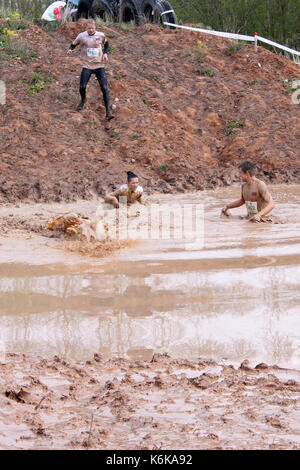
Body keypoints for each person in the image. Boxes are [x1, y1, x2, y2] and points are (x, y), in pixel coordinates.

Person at [67, 19, 114, 119]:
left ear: (95, 27)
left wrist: (105, 53)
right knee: (82, 87)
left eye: (92, 28)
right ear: (86, 28)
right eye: (89, 28)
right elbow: (73, 44)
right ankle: (83, 100)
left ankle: (108, 112)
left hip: (99, 65)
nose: (91, 30)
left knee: (104, 88)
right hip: (87, 65)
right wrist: (71, 49)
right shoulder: (82, 36)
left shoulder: (100, 35)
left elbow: (106, 44)